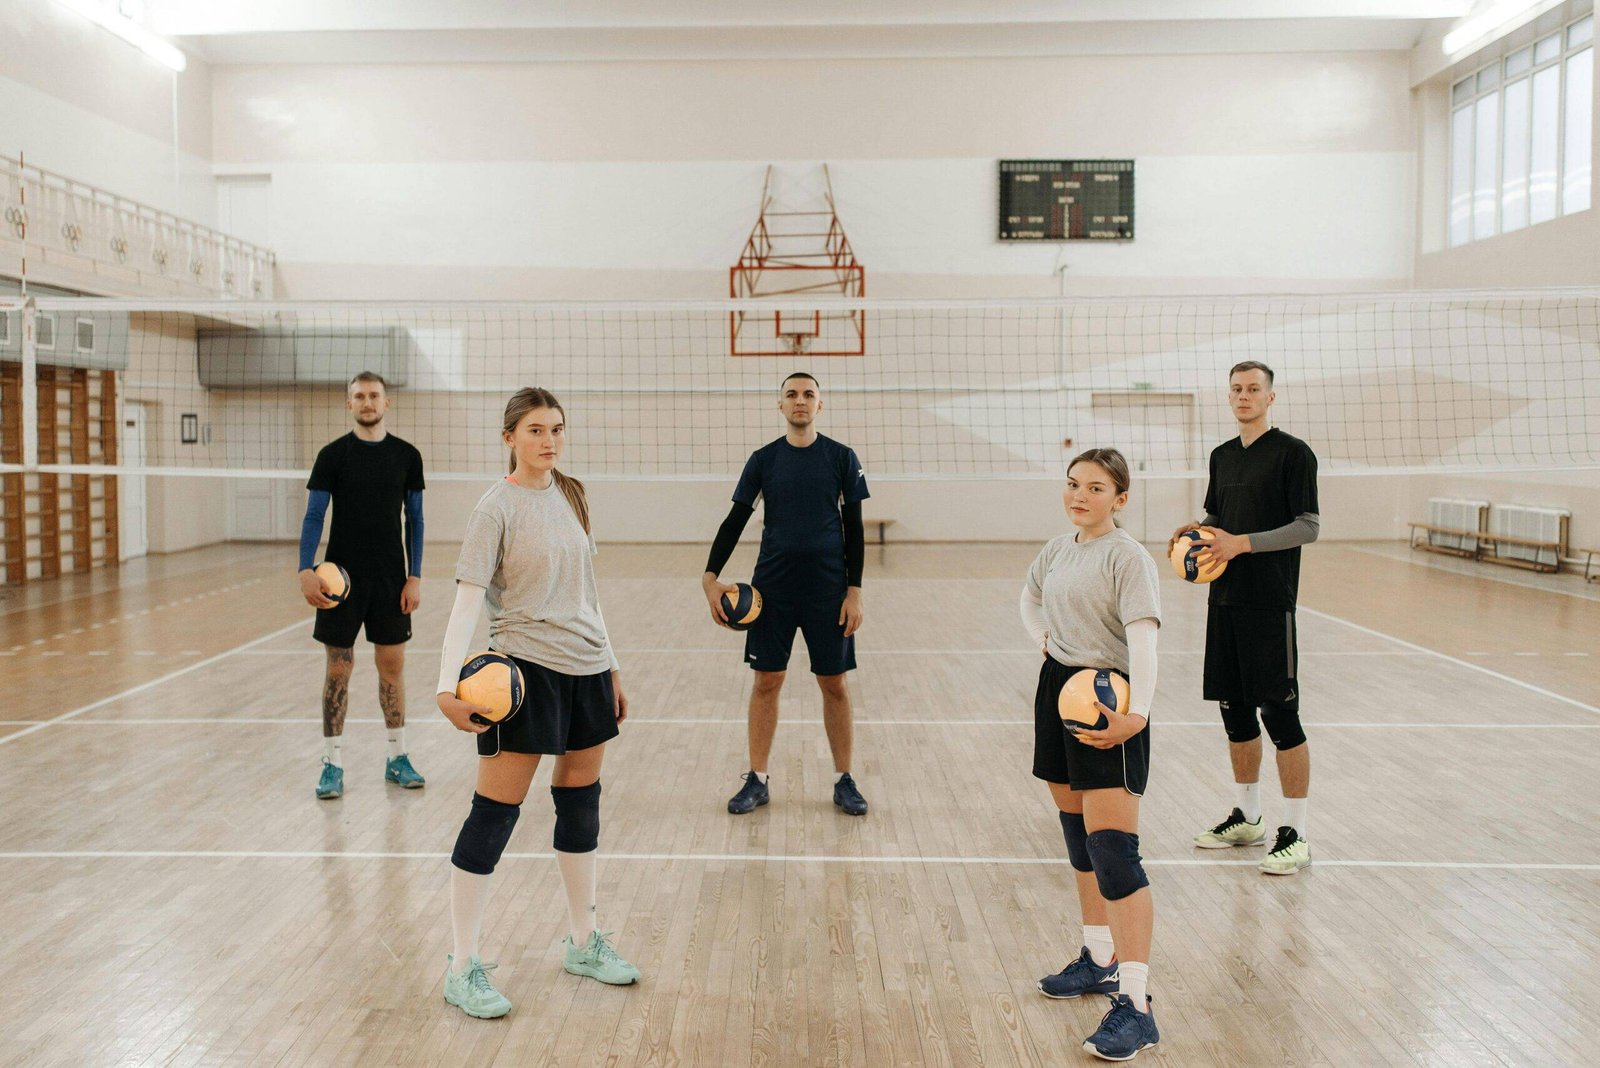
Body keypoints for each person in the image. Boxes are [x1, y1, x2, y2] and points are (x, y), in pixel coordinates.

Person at [434, 387, 639, 1021]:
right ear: (509, 437)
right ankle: (462, 965)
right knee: (494, 815)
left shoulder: (572, 495)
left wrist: (612, 667)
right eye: (534, 430)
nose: (548, 440)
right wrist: (446, 687)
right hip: (523, 672)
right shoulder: (494, 509)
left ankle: (583, 943)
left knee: (580, 807)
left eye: (555, 429)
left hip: (587, 668)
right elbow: (468, 600)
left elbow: (590, 592)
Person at [1023, 448, 1163, 1061]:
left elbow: (1145, 638)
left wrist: (1137, 716)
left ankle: (1137, 1004)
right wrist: (1045, 641)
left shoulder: (1127, 557)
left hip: (1109, 699)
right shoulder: (1057, 548)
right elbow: (1027, 599)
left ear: (1120, 498)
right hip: (1058, 691)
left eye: (1096, 487)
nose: (1080, 495)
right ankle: (1099, 956)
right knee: (1079, 836)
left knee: (1114, 852)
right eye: (1074, 484)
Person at [1171, 360, 1320, 876]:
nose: (1244, 396)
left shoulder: (1294, 454)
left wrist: (1244, 544)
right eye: (1236, 389)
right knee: (1234, 713)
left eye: (1254, 389)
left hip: (1269, 600)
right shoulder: (1221, 456)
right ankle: (1249, 818)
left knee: (1279, 714)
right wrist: (1199, 531)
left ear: (1270, 398)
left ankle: (1295, 831)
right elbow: (1220, 521)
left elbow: (1308, 527)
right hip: (1225, 599)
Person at [702, 372, 871, 816]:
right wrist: (709, 576)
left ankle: (844, 779)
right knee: (766, 682)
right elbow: (735, 519)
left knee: (834, 685)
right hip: (771, 591)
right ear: (780, 406)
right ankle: (756, 780)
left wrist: (854, 591)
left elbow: (854, 529)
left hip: (828, 590)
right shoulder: (763, 460)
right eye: (792, 395)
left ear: (820, 405)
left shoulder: (841, 457)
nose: (800, 401)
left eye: (809, 394)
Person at [297, 371, 425, 800]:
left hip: (391, 579)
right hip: (341, 580)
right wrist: (304, 568)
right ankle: (331, 763)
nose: (367, 402)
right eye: (359, 396)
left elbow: (416, 521)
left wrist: (414, 575)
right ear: (349, 404)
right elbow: (314, 516)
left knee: (392, 667)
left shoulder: (407, 456)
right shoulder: (332, 455)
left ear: (386, 403)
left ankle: (397, 758)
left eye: (374, 395)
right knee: (338, 668)